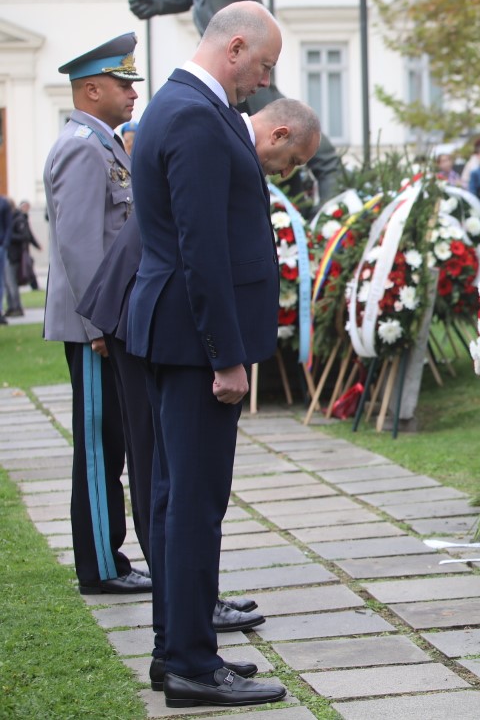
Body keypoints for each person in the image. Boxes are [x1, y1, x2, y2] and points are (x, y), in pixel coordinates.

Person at [76, 99, 321, 679]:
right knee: (170, 485)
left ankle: (184, 624)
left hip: (160, 319)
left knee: (173, 486)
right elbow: (196, 245)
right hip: (152, 321)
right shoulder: (202, 125)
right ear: (280, 131)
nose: (282, 174)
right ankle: (184, 644)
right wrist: (225, 354)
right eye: (287, 162)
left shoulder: (205, 125)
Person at [127, 1, 288, 709]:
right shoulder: (194, 112)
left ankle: (177, 646)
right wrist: (227, 354)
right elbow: (202, 247)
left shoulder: (186, 102)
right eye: (263, 65)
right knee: (192, 502)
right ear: (235, 47)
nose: (265, 80)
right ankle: (192, 661)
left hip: (179, 334)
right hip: (195, 343)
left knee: (176, 498)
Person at [128, 0, 341, 201]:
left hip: (244, 46)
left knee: (271, 109)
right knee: (265, 119)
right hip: (225, 50)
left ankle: (328, 171)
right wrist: (157, 2)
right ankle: (312, 183)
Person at [43, 33, 152, 597]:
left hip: (105, 323)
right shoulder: (84, 148)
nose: (133, 92)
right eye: (123, 83)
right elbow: (80, 247)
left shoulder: (103, 144)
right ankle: (102, 566)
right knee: (98, 445)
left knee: (111, 441)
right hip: (95, 328)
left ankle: (110, 556)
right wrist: (98, 327)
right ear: (92, 89)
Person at [7, 200, 40, 308]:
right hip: (13, 254)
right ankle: (12, 307)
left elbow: (26, 235)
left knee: (12, 282)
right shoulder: (14, 219)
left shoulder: (19, 219)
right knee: (9, 282)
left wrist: (8, 237)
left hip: (16, 255)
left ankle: (16, 307)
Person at [0, 195, 13, 322]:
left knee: (0, 281)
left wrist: (5, 244)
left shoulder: (3, 203)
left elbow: (9, 225)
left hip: (1, 246)